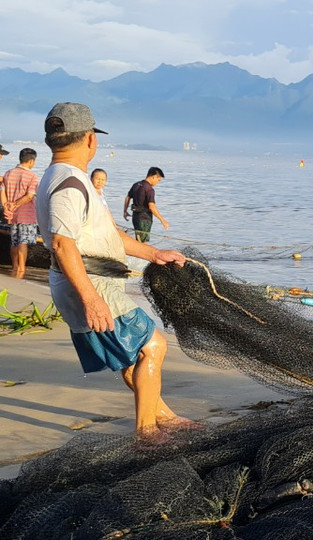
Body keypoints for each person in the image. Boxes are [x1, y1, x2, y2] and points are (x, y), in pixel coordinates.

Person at [35, 102, 197, 445]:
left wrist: (155, 253)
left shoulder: (68, 179)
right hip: (89, 283)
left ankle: (161, 415)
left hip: (88, 280)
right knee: (153, 346)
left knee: (129, 354)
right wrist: (91, 299)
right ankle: (146, 433)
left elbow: (110, 235)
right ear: (91, 140)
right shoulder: (69, 185)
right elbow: (63, 246)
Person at [1, 148, 39, 278]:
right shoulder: (32, 176)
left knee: (14, 241)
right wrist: (16, 204)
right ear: (31, 161)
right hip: (26, 214)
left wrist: (7, 207)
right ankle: (21, 269)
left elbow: (2, 192)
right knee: (23, 241)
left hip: (12, 215)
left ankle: (15, 266)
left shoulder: (8, 173)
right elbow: (29, 196)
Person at [123, 166, 169, 242]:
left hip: (135, 217)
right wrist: (162, 220)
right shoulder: (149, 189)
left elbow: (128, 197)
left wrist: (125, 211)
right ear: (153, 177)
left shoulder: (136, 185)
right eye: (158, 180)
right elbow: (152, 206)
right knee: (144, 243)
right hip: (145, 219)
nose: (158, 182)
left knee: (138, 240)